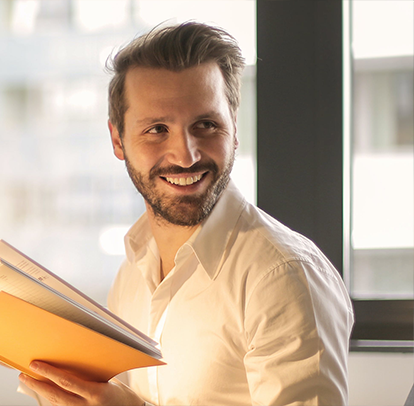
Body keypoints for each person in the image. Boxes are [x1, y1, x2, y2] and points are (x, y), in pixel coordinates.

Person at [18, 21, 354, 405]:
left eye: (206, 125)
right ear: (117, 140)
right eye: (157, 129)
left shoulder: (282, 276)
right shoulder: (132, 270)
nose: (186, 155)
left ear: (234, 130)